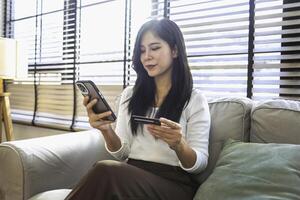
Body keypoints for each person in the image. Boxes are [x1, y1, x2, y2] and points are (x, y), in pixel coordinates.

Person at [65, 18, 210, 200]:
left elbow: (200, 164)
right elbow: (123, 153)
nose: (146, 56)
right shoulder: (130, 95)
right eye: (142, 51)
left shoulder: (194, 99)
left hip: (174, 184)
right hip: (132, 176)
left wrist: (179, 145)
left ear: (174, 50)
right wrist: (106, 130)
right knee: (107, 174)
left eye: (155, 48)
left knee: (105, 170)